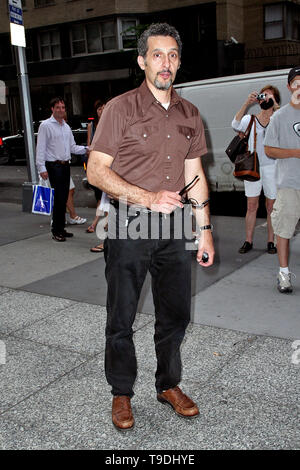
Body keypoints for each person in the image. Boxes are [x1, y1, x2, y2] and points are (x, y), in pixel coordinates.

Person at [87, 23, 214, 430]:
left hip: (177, 226)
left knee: (175, 314)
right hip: (126, 223)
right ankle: (121, 393)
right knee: (120, 316)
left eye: (173, 55)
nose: (166, 63)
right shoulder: (120, 109)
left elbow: (194, 175)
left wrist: (205, 228)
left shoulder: (190, 114)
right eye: (157, 54)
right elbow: (95, 171)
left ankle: (168, 384)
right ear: (142, 60)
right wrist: (147, 197)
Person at [232, 85, 281, 254]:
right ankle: (248, 241)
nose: (265, 99)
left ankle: (271, 241)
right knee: (251, 205)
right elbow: (235, 124)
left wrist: (275, 106)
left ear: (275, 99)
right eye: (263, 96)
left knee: (271, 207)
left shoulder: (278, 118)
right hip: (253, 167)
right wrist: (246, 103)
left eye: (269, 96)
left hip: (273, 168)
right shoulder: (250, 120)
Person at [264, 66, 300, 293]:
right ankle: (284, 275)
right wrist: (295, 153)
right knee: (284, 230)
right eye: (296, 82)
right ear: (289, 87)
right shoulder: (279, 116)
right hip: (289, 183)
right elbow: (268, 149)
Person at [36, 97, 88, 241]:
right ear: (52, 109)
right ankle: (56, 231)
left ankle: (61, 228)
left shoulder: (66, 126)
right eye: (58, 107)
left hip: (65, 166)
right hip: (54, 166)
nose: (61, 110)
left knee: (64, 197)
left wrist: (87, 149)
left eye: (63, 107)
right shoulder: (46, 126)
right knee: (59, 199)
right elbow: (40, 148)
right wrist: (41, 167)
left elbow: (72, 147)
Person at [86, 99, 108, 253]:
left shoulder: (112, 124)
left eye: (104, 108)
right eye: (100, 108)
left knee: (108, 202)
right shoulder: (92, 126)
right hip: (98, 167)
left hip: (109, 168)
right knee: (104, 200)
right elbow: (90, 146)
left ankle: (107, 239)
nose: (102, 110)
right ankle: (107, 237)